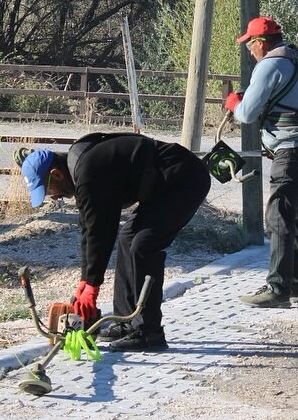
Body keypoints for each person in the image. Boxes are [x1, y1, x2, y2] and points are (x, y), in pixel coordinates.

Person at [19, 133, 210, 352]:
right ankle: (126, 323)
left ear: (57, 174)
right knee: (128, 238)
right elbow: (88, 230)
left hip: (185, 181)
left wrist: (93, 286)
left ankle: (149, 333)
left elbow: (102, 231)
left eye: (48, 190)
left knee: (143, 245)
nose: (53, 197)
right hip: (163, 187)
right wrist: (85, 281)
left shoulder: (89, 172)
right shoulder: (80, 170)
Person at [226, 16, 298, 308]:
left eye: (249, 44)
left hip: (292, 151)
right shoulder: (295, 57)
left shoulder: (270, 64)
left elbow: (246, 114)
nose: (248, 49)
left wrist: (234, 103)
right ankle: (294, 286)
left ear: (260, 43)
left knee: (279, 219)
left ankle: (277, 289)